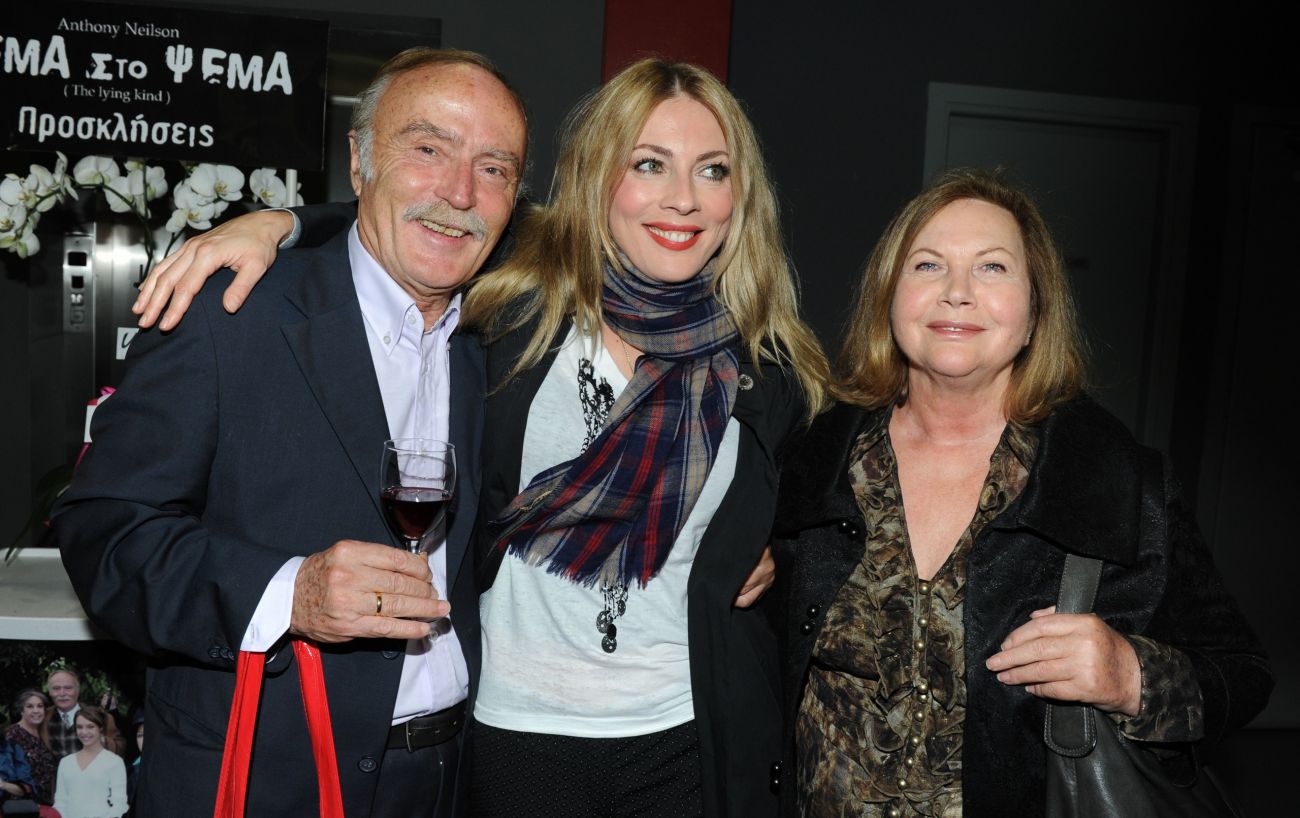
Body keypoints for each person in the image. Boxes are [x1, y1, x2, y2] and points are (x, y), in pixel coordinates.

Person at [130, 58, 830, 817]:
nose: (683, 197)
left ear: (740, 195)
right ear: (597, 180)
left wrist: (758, 551)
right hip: (514, 742)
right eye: (649, 163)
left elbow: (812, 541)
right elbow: (421, 220)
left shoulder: (769, 371)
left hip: (690, 739)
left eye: (713, 170)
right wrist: (284, 222)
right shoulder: (514, 312)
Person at [53, 47, 528, 817]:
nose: (461, 191)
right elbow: (104, 535)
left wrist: (292, 219)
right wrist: (288, 593)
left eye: (495, 167)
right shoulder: (229, 312)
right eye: (428, 148)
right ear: (360, 160)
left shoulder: (506, 335)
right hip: (263, 778)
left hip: (450, 780)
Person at [771, 168, 1273, 817]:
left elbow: (1243, 672)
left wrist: (1131, 676)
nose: (956, 292)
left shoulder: (1118, 483)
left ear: (1035, 314)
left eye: (992, 268)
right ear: (889, 296)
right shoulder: (809, 460)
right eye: (928, 265)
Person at [51, 706, 126, 818]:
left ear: (100, 728)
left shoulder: (114, 762)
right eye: (79, 727)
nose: (84, 732)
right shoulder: (66, 762)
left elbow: (119, 804)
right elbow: (60, 802)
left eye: (90, 727)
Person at [41, 672, 124, 760]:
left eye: (68, 688)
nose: (62, 693)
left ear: (77, 690)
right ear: (50, 692)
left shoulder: (101, 716)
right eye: (56, 688)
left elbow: (120, 747)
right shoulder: (42, 718)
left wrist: (103, 741)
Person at [4, 690, 55, 805]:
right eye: (30, 706)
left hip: (47, 803)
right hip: (20, 805)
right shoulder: (11, 736)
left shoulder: (46, 733)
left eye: (40, 706)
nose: (36, 710)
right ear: (21, 710)